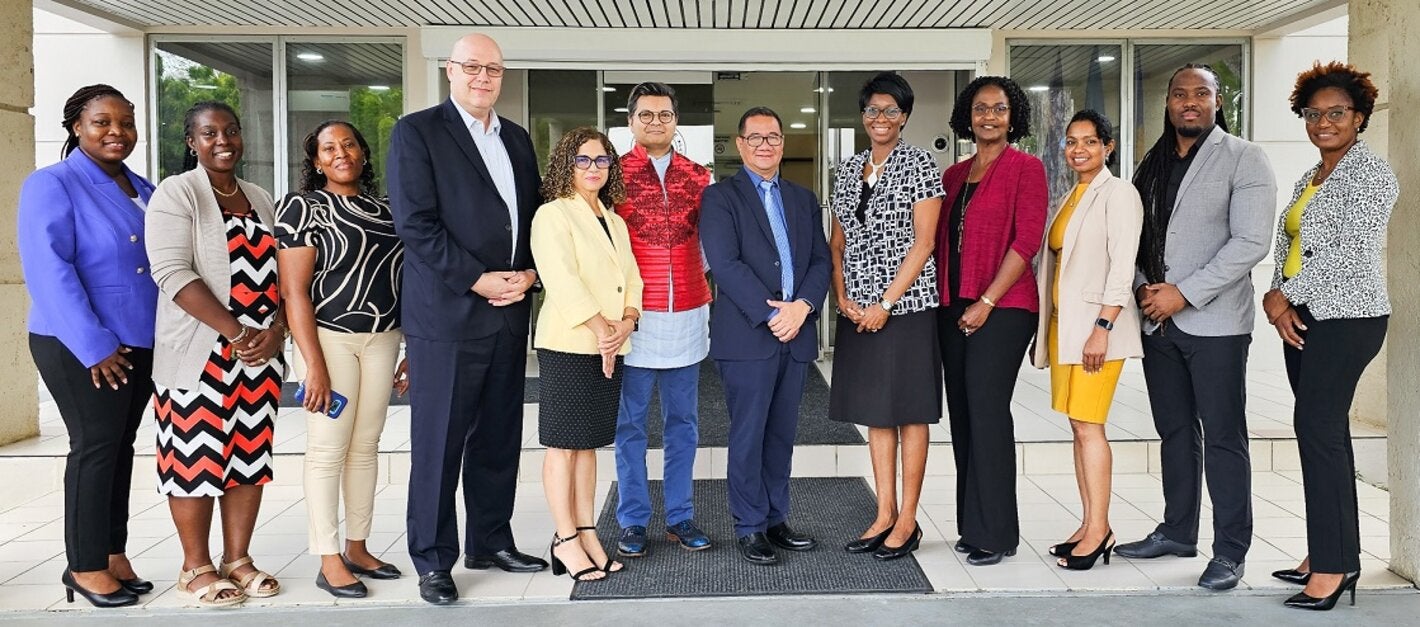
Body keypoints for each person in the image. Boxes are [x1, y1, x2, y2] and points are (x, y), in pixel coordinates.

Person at [386, 32, 546, 605]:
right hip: (450, 312)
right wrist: (476, 278)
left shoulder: (518, 140)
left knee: (499, 436)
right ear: (450, 70)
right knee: (440, 441)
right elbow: (416, 223)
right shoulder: (418, 132)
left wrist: (529, 273)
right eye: (472, 67)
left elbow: (534, 219)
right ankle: (432, 558)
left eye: (494, 69)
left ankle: (490, 540)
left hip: (510, 310)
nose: (484, 77)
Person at [1113, 64, 1276, 591]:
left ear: (1216, 100)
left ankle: (1231, 550)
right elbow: (1135, 236)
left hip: (1216, 323)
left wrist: (1182, 293)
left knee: (1224, 437)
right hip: (1157, 323)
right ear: (1168, 102)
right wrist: (1144, 288)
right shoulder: (1152, 163)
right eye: (1180, 94)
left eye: (1200, 94)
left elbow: (1251, 242)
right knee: (1176, 432)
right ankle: (1178, 531)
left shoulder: (1245, 157)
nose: (1189, 102)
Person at [1262, 62, 1396, 611]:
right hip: (1304, 315)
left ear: (1359, 117)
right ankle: (1327, 551)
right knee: (1323, 432)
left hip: (1348, 318)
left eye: (1336, 112)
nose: (1324, 122)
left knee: (1316, 426)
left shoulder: (1371, 174)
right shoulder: (1310, 177)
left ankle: (1336, 565)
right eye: (1313, 114)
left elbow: (1347, 251)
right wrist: (1277, 299)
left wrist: (1287, 295)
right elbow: (1287, 240)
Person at [18, 85, 156, 608]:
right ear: (76, 126)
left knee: (120, 447)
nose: (116, 131)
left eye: (125, 122)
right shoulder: (51, 184)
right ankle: (84, 565)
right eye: (102, 122)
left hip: (138, 338)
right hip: (81, 342)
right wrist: (94, 345)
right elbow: (49, 271)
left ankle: (112, 553)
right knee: (95, 447)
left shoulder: (140, 186)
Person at [145, 101, 286, 608]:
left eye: (230, 131)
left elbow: (284, 277)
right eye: (209, 133)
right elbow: (172, 272)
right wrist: (236, 332)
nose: (222, 140)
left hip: (258, 356)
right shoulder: (177, 193)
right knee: (194, 459)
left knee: (249, 457)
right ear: (191, 142)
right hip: (199, 352)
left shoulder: (260, 198)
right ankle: (195, 567)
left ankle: (239, 559)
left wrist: (276, 331)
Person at [275, 120, 407, 598]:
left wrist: (409, 347)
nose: (341, 153)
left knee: (366, 445)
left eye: (349, 144)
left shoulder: (390, 209)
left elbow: (405, 278)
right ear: (315, 161)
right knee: (329, 448)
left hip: (383, 337)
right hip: (329, 341)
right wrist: (312, 365)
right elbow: (294, 293)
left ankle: (358, 545)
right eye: (328, 148)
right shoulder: (302, 207)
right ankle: (327, 556)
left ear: (364, 153)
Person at [702, 106, 831, 566]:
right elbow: (724, 264)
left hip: (795, 333)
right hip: (748, 337)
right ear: (740, 145)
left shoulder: (803, 198)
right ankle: (750, 525)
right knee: (749, 434)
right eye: (754, 137)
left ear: (782, 143)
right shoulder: (721, 199)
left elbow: (820, 261)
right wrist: (770, 313)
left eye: (773, 137)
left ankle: (777, 519)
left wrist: (803, 307)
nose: (764, 144)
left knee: (781, 436)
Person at [826, 72, 944, 562]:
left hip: (907, 309)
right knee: (877, 415)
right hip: (858, 311)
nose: (881, 119)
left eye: (891, 111)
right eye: (873, 110)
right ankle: (884, 512)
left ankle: (909, 519)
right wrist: (843, 297)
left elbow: (925, 243)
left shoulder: (920, 164)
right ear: (862, 116)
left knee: (910, 412)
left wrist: (885, 303)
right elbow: (838, 243)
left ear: (905, 117)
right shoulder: (848, 169)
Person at [937, 76, 1047, 567]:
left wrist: (985, 300)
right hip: (952, 305)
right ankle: (972, 525)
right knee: (962, 415)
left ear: (1012, 116)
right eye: (980, 109)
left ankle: (998, 533)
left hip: (1003, 309)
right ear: (968, 115)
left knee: (987, 411)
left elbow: (1027, 242)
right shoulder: (953, 176)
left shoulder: (1027, 168)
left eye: (999, 109)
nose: (989, 117)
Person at [1029, 110, 1143, 571]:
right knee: (1078, 427)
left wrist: (1104, 327)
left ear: (1108, 147)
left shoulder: (1119, 194)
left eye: (1090, 142)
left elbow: (1122, 266)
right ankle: (1088, 523)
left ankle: (1100, 530)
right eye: (1072, 142)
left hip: (1096, 331)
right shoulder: (1073, 195)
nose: (1079, 149)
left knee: (1090, 427)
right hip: (1066, 330)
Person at [530, 127, 643, 581]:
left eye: (601, 160)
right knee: (563, 446)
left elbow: (632, 278)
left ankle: (587, 532)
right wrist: (603, 330)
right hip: (571, 344)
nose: (594, 168)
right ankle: (564, 540)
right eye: (583, 160)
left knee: (589, 445)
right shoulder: (553, 215)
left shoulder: (614, 219)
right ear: (566, 165)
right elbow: (562, 281)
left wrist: (627, 322)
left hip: (611, 342)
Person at [612, 82, 714, 558]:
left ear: (676, 122)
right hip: (632, 315)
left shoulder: (700, 176)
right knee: (629, 425)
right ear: (631, 120)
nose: (656, 121)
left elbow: (712, 245)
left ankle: (680, 516)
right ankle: (632, 519)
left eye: (665, 114)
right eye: (647, 114)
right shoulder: (611, 175)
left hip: (688, 311)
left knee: (683, 424)